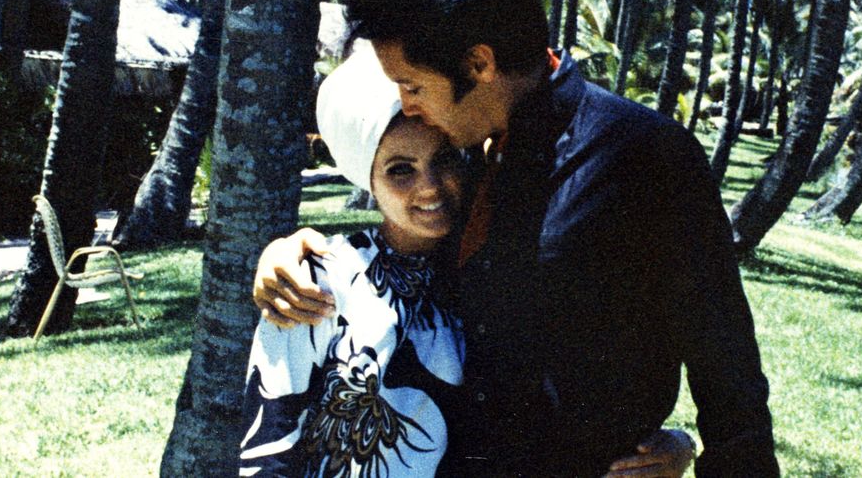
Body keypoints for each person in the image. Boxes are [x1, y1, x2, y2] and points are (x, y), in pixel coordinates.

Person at [254, 0, 779, 476]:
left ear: (479, 63)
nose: (406, 105)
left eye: (412, 86)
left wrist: (688, 448)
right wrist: (292, 253)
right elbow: (404, 265)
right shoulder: (467, 156)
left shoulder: (644, 154)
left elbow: (726, 364)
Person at [240, 43, 695, 477]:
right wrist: (280, 250)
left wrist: (672, 444)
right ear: (367, 179)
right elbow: (267, 447)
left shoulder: (492, 267)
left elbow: (584, 379)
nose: (430, 186)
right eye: (401, 170)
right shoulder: (317, 279)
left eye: (444, 159)